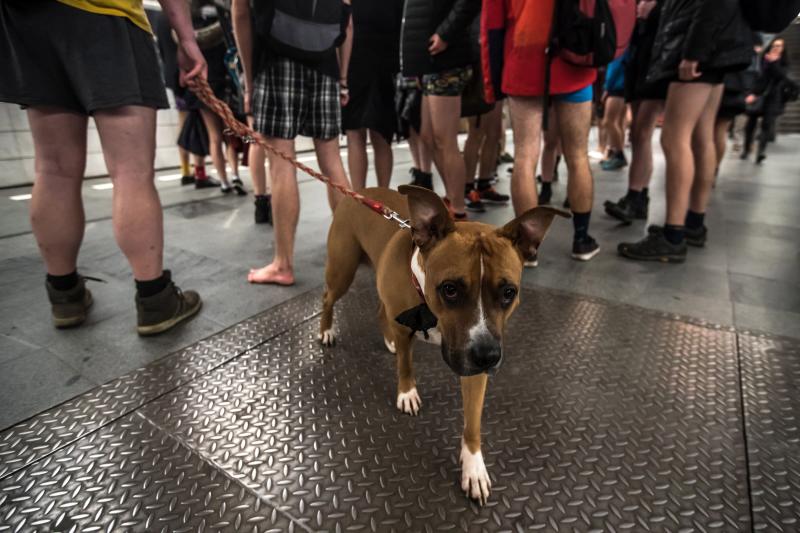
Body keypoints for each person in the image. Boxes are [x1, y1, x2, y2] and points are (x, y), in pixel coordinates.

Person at [0, 0, 205, 335]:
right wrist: (186, 39)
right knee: (131, 172)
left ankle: (65, 295)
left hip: (29, 22)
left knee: (53, 170)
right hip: (108, 14)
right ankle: (155, 300)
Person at [619, 0, 753, 261]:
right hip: (718, 48)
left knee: (674, 137)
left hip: (700, 48)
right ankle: (694, 223)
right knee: (702, 136)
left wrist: (694, 51)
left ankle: (673, 234)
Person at [232, 0, 353, 286]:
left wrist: (249, 82)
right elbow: (347, 22)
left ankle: (282, 264)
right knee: (332, 161)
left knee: (282, 163)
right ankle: (355, 250)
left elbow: (240, 12)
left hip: (275, 63)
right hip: (326, 66)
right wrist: (343, 78)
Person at [482, 0, 601, 262]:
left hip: (523, 62)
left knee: (525, 155)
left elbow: (492, 27)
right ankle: (581, 240)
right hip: (574, 60)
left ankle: (527, 250)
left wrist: (494, 85)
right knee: (578, 155)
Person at [401, 0, 481, 220]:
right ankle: (452, 198)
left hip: (447, 59)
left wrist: (446, 34)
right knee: (428, 136)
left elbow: (468, 4)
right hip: (429, 60)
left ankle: (458, 209)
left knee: (445, 140)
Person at [604, 0, 666, 224]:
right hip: (639, 65)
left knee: (642, 134)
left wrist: (653, 12)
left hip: (656, 67)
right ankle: (638, 197)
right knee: (638, 136)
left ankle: (635, 196)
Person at [343, 0, 404, 190]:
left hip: (353, 61)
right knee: (382, 135)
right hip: (384, 62)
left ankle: (359, 197)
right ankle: (384, 195)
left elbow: (343, 22)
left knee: (355, 134)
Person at [742, 39, 795, 164]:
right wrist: (751, 93)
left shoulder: (783, 63)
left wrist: (774, 63)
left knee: (767, 125)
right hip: (758, 94)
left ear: (783, 48)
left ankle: (761, 152)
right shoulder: (762, 59)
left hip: (773, 97)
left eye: (780, 46)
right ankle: (746, 149)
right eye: (775, 45)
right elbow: (757, 76)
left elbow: (781, 76)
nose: (776, 48)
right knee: (751, 124)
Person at [600, 52, 629, 171]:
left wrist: (607, 87)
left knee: (609, 121)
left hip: (617, 87)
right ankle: (616, 152)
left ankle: (619, 154)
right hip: (624, 85)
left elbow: (614, 68)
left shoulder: (620, 49)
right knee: (619, 122)